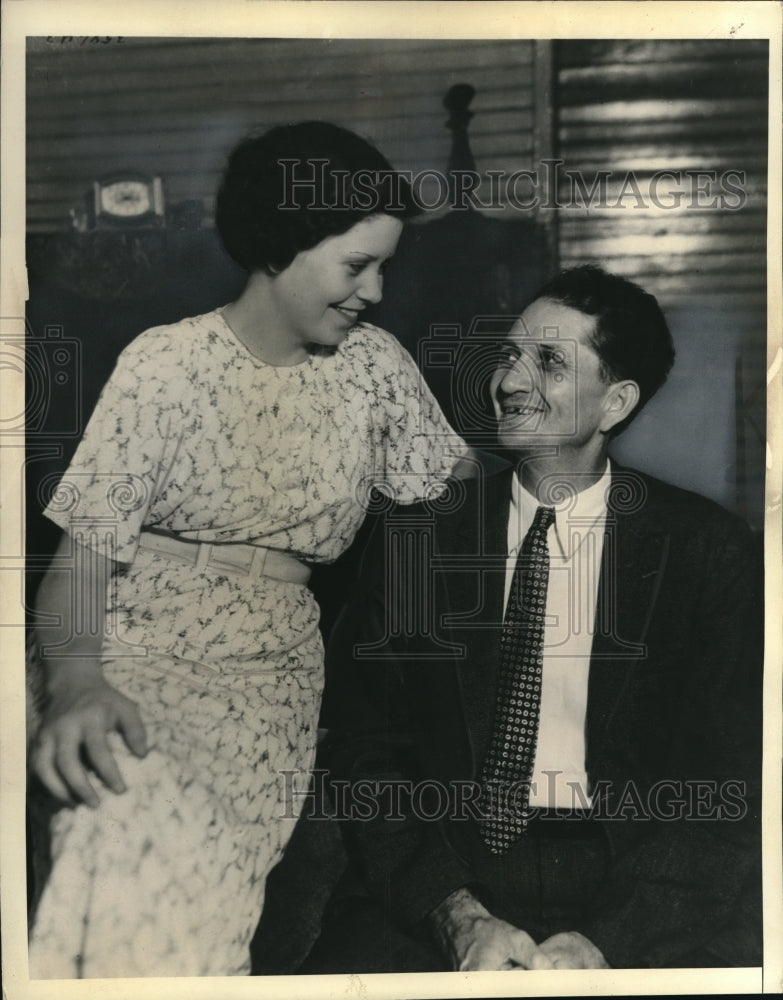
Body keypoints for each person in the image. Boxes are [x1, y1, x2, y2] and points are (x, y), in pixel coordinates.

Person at [26, 121, 470, 978]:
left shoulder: (375, 368)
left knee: (185, 853)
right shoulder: (163, 365)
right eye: (356, 265)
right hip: (124, 641)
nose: (375, 290)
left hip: (267, 669)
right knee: (115, 807)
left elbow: (464, 502)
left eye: (384, 266)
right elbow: (80, 561)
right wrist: (79, 682)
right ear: (281, 246)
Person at [309, 264, 763, 972]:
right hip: (444, 867)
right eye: (509, 356)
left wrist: (608, 941)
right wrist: (455, 914)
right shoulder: (417, 541)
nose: (510, 382)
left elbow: (730, 782)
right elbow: (366, 754)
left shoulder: (708, 552)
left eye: (548, 362)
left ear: (614, 403)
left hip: (633, 875)